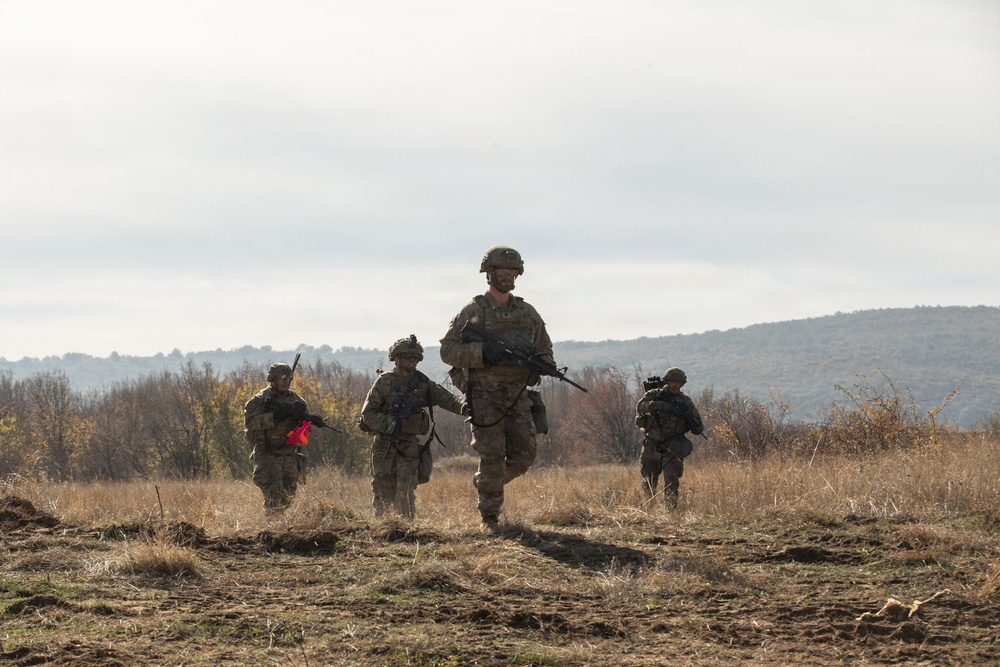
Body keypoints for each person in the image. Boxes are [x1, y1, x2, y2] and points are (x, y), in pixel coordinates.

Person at [440, 245, 555, 531]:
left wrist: (541, 365)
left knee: (524, 456)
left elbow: (544, 348)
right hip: (484, 397)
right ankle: (490, 518)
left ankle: (485, 482)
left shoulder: (527, 313)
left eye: (512, 272)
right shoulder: (473, 311)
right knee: (491, 456)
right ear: (488, 274)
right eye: (501, 272)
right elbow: (448, 350)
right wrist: (481, 352)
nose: (507, 277)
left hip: (517, 397)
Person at [360, 335, 466, 519]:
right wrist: (393, 423)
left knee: (406, 487)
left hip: (409, 445)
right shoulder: (384, 382)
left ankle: (406, 528)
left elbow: (447, 400)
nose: (413, 361)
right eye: (409, 357)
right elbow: (368, 414)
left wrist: (468, 407)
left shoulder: (422, 383)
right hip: (384, 444)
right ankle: (383, 529)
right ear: (397, 358)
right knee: (383, 487)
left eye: (416, 358)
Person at [244, 362, 326, 515]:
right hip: (268, 454)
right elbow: (250, 422)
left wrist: (307, 421)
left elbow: (302, 436)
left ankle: (277, 524)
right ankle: (273, 530)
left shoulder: (297, 401)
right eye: (282, 378)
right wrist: (274, 417)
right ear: (273, 379)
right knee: (274, 496)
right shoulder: (260, 399)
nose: (285, 381)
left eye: (288, 378)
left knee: (288, 497)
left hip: (289, 455)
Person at [635, 367, 704, 508]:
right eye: (672, 382)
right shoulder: (654, 394)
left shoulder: (685, 402)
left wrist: (696, 427)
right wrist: (658, 405)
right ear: (666, 382)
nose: (675, 386)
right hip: (652, 443)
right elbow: (641, 407)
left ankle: (671, 512)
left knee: (672, 480)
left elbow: (697, 422)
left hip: (673, 446)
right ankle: (648, 509)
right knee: (649, 479)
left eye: (678, 383)